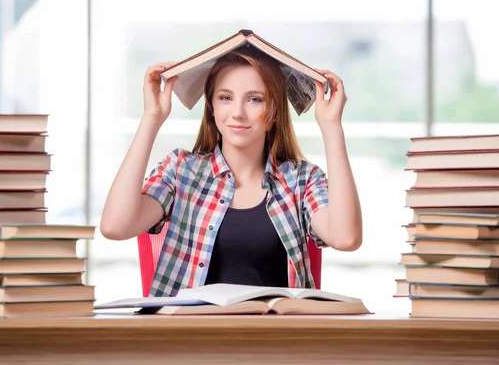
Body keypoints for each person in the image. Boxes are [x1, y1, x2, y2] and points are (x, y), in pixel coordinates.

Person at [100, 47, 362, 297]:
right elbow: (115, 226)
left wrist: (331, 128)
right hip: (191, 336)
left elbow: (346, 238)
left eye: (255, 99)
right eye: (225, 98)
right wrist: (151, 118)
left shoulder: (301, 180)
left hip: (276, 338)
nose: (238, 113)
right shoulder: (181, 170)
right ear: (212, 108)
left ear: (273, 112)